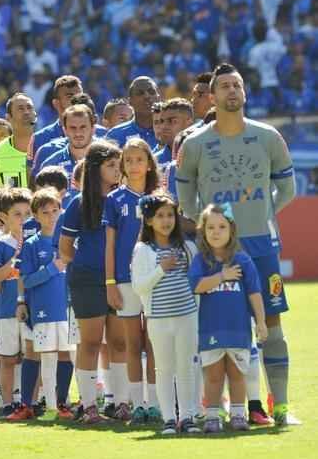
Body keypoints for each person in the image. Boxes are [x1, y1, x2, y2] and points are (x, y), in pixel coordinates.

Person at [176, 63, 297, 426]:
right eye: (225, 86)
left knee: (270, 326)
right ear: (211, 96)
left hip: (260, 245)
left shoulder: (268, 137)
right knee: (220, 329)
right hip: (216, 253)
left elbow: (286, 189)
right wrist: (215, 228)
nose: (232, 91)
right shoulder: (195, 144)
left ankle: (281, 407)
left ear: (244, 93)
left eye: (237, 86)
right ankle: (220, 408)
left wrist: (260, 213)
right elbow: (186, 199)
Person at [59, 140, 128, 425]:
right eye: (111, 165)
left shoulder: (121, 199)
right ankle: (88, 406)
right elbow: (64, 249)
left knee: (120, 343)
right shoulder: (78, 203)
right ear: (96, 168)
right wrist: (89, 264)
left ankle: (121, 403)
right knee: (89, 343)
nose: (118, 170)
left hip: (119, 279)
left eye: (118, 164)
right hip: (87, 281)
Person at [188, 204, 268, 434]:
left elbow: (254, 293)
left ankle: (238, 414)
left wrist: (261, 322)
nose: (216, 232)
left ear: (231, 230)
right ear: (203, 232)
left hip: (238, 330)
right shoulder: (201, 261)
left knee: (237, 374)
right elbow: (197, 286)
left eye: (222, 226)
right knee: (213, 376)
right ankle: (212, 416)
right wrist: (222, 275)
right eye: (210, 227)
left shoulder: (243, 260)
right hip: (211, 329)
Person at [131, 192, 200, 436]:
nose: (166, 221)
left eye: (170, 215)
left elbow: (196, 281)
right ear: (149, 220)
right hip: (159, 319)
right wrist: (161, 269)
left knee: (186, 367)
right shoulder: (143, 250)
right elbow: (139, 286)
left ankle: (188, 416)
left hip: (186, 316)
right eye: (159, 216)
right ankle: (169, 418)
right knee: (164, 368)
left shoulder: (187, 247)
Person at [104, 138, 161, 425]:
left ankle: (156, 402)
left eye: (139, 160)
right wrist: (110, 281)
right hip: (125, 280)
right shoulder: (115, 200)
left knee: (154, 344)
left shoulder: (160, 197)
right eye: (129, 161)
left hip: (155, 280)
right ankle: (136, 403)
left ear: (149, 163)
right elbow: (110, 244)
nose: (134, 165)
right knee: (131, 343)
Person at [16, 188, 74, 420]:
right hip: (43, 309)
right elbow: (26, 279)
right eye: (45, 212)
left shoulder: (68, 241)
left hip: (67, 308)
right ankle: (49, 406)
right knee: (47, 356)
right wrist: (51, 269)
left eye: (55, 211)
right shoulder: (31, 244)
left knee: (67, 355)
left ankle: (62, 403)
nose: (51, 216)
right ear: (36, 216)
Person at [0, 188, 32, 417]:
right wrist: (16, 259)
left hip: (33, 310)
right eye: (18, 214)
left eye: (27, 213)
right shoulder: (0, 245)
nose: (24, 219)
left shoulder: (35, 241)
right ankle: (7, 403)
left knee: (32, 358)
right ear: (3, 216)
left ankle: (29, 402)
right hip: (6, 311)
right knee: (8, 359)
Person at [0, 93, 36, 188]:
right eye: (20, 109)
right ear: (8, 118)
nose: (26, 112)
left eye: (29, 108)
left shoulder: (48, 149)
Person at [30, 74, 82, 159]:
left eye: (80, 96)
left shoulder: (101, 134)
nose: (77, 101)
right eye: (70, 96)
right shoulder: (39, 139)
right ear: (56, 103)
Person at [106, 76, 160, 148]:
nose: (147, 96)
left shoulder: (171, 131)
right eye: (140, 93)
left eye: (151, 92)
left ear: (159, 98)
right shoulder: (115, 135)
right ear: (130, 101)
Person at [153, 98, 194, 166]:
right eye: (162, 121)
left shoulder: (202, 156)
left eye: (172, 121)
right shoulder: (154, 163)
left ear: (189, 123)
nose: (163, 126)